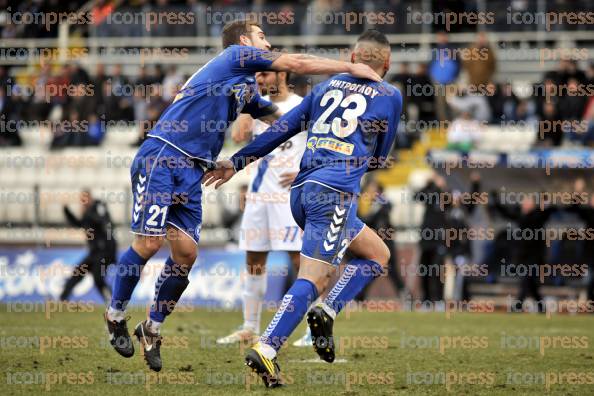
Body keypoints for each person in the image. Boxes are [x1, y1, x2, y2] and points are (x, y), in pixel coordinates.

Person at [103, 18, 382, 373]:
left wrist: (331, 123)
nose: (268, 43)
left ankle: (152, 328)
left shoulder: (245, 88)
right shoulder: (235, 56)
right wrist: (349, 66)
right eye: (262, 37)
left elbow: (282, 121)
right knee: (148, 244)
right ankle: (115, 315)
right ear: (244, 41)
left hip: (193, 169)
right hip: (163, 154)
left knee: (186, 254)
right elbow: (295, 63)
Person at [204, 29, 400, 388]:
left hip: (301, 191)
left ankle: (326, 310)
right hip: (335, 193)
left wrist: (236, 162)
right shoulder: (390, 95)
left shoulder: (324, 88)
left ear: (353, 59)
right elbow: (379, 157)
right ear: (386, 63)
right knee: (313, 277)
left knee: (377, 254)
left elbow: (280, 129)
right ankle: (267, 346)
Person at [216, 70, 311, 346]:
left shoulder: (301, 105)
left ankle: (311, 330)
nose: (259, 79)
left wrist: (304, 172)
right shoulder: (257, 105)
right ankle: (249, 327)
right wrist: (249, 105)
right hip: (259, 196)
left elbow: (317, 144)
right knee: (254, 260)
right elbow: (238, 135)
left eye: (265, 74)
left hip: (288, 197)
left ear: (281, 74)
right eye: (256, 75)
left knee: (300, 263)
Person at [60, 190, 116, 302]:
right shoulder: (88, 213)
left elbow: (106, 222)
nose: (83, 202)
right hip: (94, 252)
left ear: (90, 198)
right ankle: (63, 299)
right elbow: (79, 224)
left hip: (104, 251)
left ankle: (112, 301)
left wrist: (88, 212)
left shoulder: (98, 206)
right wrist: (66, 210)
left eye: (85, 199)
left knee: (98, 278)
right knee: (78, 273)